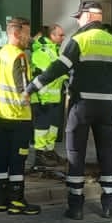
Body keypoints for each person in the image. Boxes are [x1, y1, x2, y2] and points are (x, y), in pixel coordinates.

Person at [27, 0, 112, 220]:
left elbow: (58, 68)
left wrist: (32, 87)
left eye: (78, 17)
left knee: (76, 156)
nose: (77, 20)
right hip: (108, 108)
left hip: (81, 105)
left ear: (88, 16)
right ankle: (110, 205)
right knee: (108, 155)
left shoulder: (79, 40)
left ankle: (76, 206)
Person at [0, 17, 39, 215]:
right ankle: (17, 200)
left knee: (2, 158)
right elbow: (23, 88)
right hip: (19, 116)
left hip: (1, 115)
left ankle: (0, 200)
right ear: (16, 34)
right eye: (27, 33)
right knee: (18, 160)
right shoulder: (18, 56)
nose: (30, 38)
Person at [29, 24, 67, 167]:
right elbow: (43, 77)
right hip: (43, 98)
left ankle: (49, 151)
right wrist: (43, 99)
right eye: (60, 35)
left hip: (54, 97)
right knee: (42, 127)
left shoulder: (53, 50)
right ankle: (39, 156)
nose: (63, 38)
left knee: (53, 127)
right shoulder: (43, 52)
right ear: (51, 36)